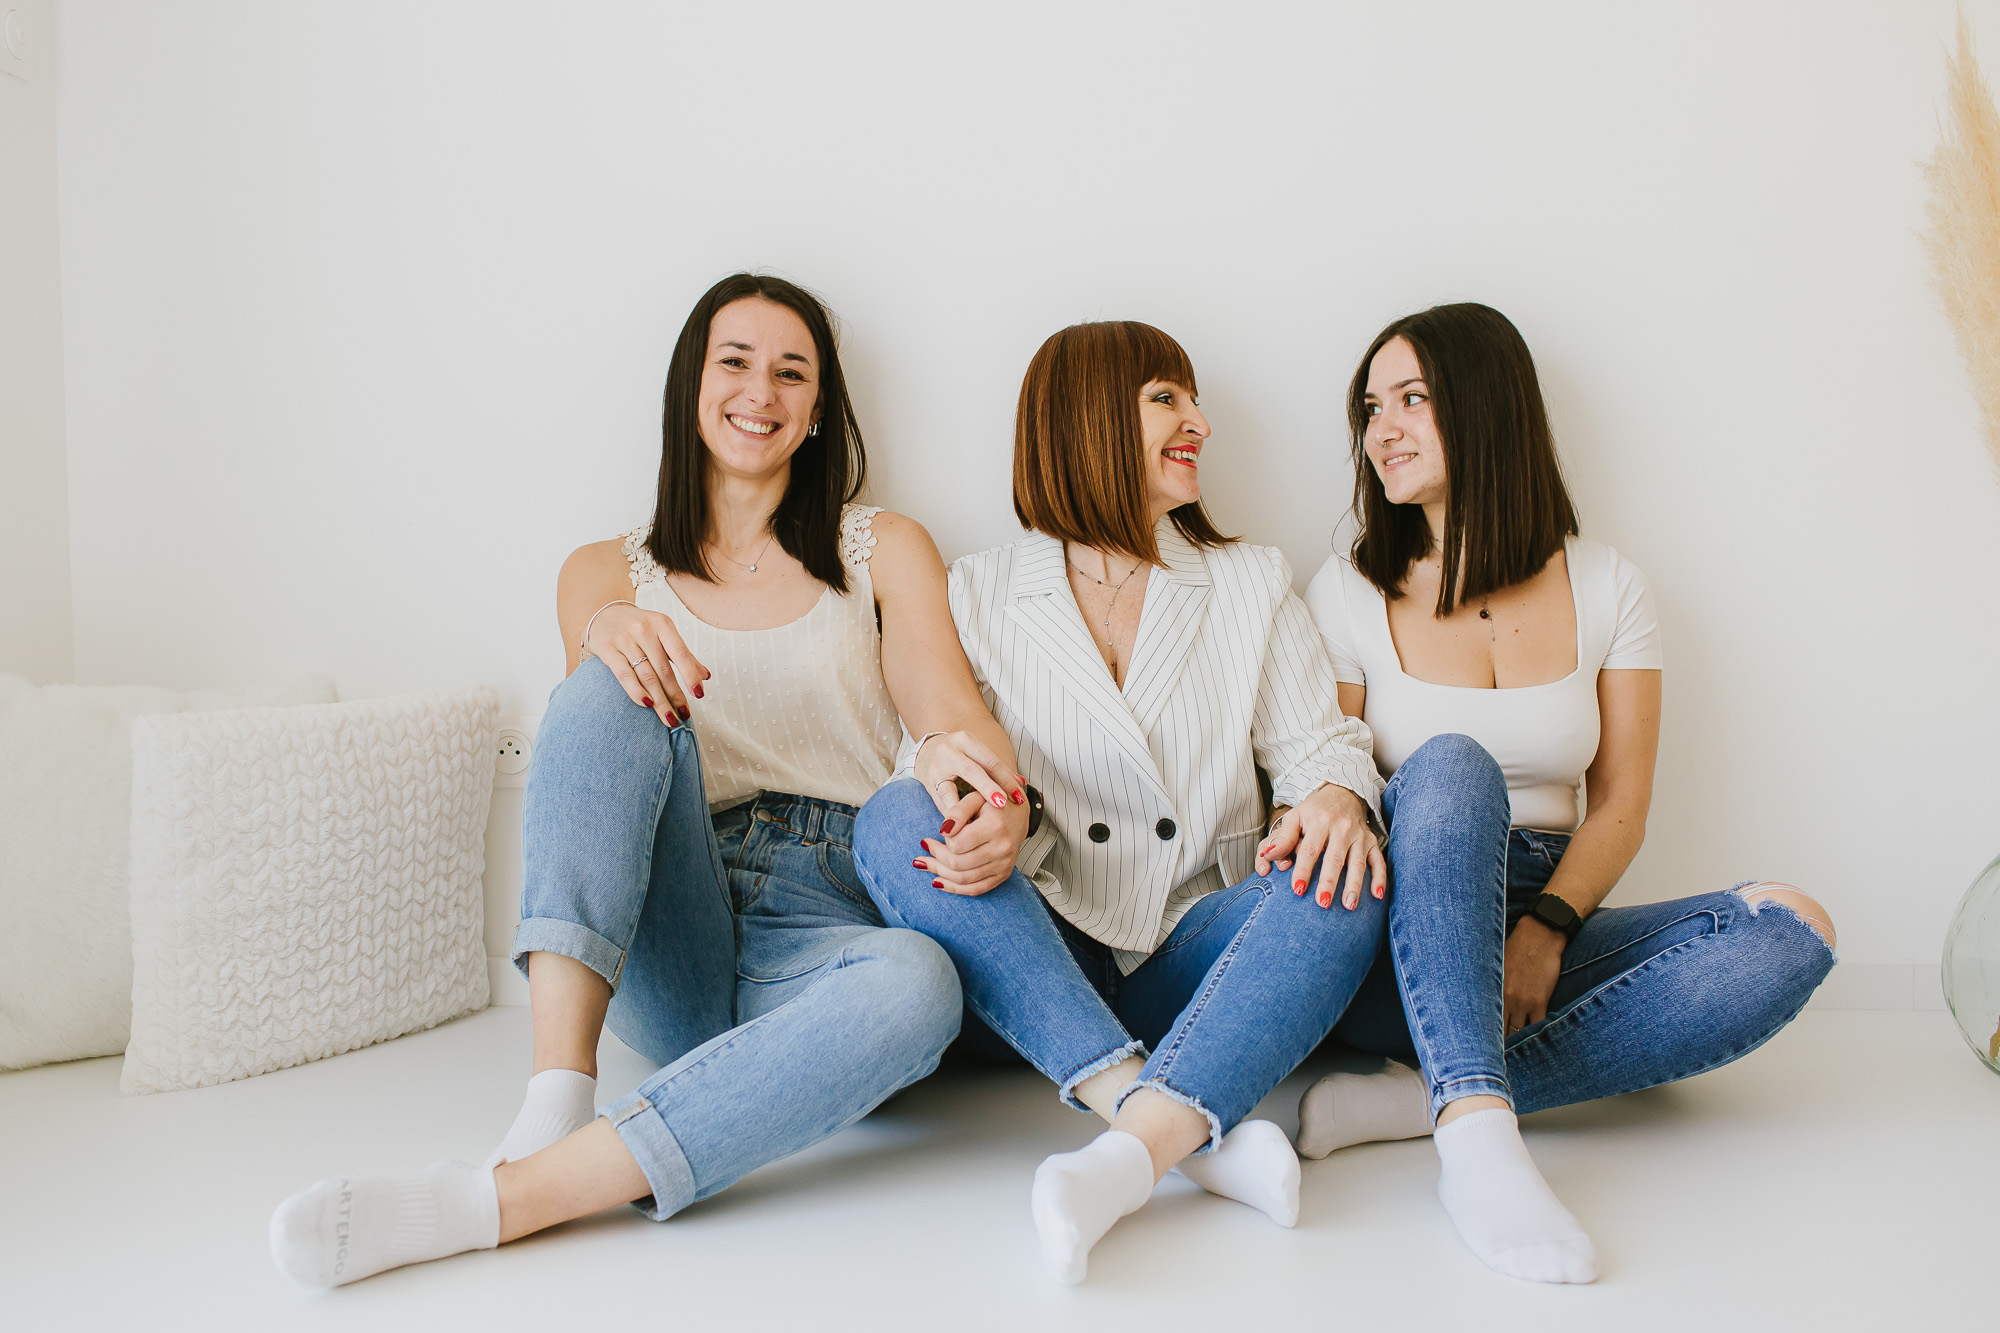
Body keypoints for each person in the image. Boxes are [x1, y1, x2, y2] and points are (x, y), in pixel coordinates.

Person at [268, 273, 1035, 1287]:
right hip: (678, 921)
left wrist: (996, 803)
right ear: (690, 386)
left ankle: (506, 1198)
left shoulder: (881, 546)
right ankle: (554, 1099)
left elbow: (951, 718)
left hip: (836, 925)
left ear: (817, 409)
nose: (759, 391)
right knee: (607, 672)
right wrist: (605, 629)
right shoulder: (603, 569)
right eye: (735, 362)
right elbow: (594, 770)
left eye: (791, 372)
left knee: (921, 983)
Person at [855, 319, 1501, 1285]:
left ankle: (1124, 1156)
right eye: (1167, 398)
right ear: (1086, 417)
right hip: (1034, 956)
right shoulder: (978, 588)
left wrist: (1333, 796)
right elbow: (932, 753)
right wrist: (979, 808)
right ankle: (1154, 1117)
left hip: (1195, 958)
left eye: (1194, 400)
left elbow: (1322, 744)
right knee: (890, 817)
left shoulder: (1248, 580)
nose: (1198, 421)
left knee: (1344, 872)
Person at [1299, 301, 1837, 1281]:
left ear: (1485, 405)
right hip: (1406, 931)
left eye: (1411, 400)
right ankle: (1476, 1133)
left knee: (1791, 928)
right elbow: (1330, 780)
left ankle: (1416, 1099)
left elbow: (1621, 802)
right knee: (1450, 766)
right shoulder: (1344, 592)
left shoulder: (1607, 584)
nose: (1382, 431)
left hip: (1551, 910)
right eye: (1370, 409)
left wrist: (1545, 929)